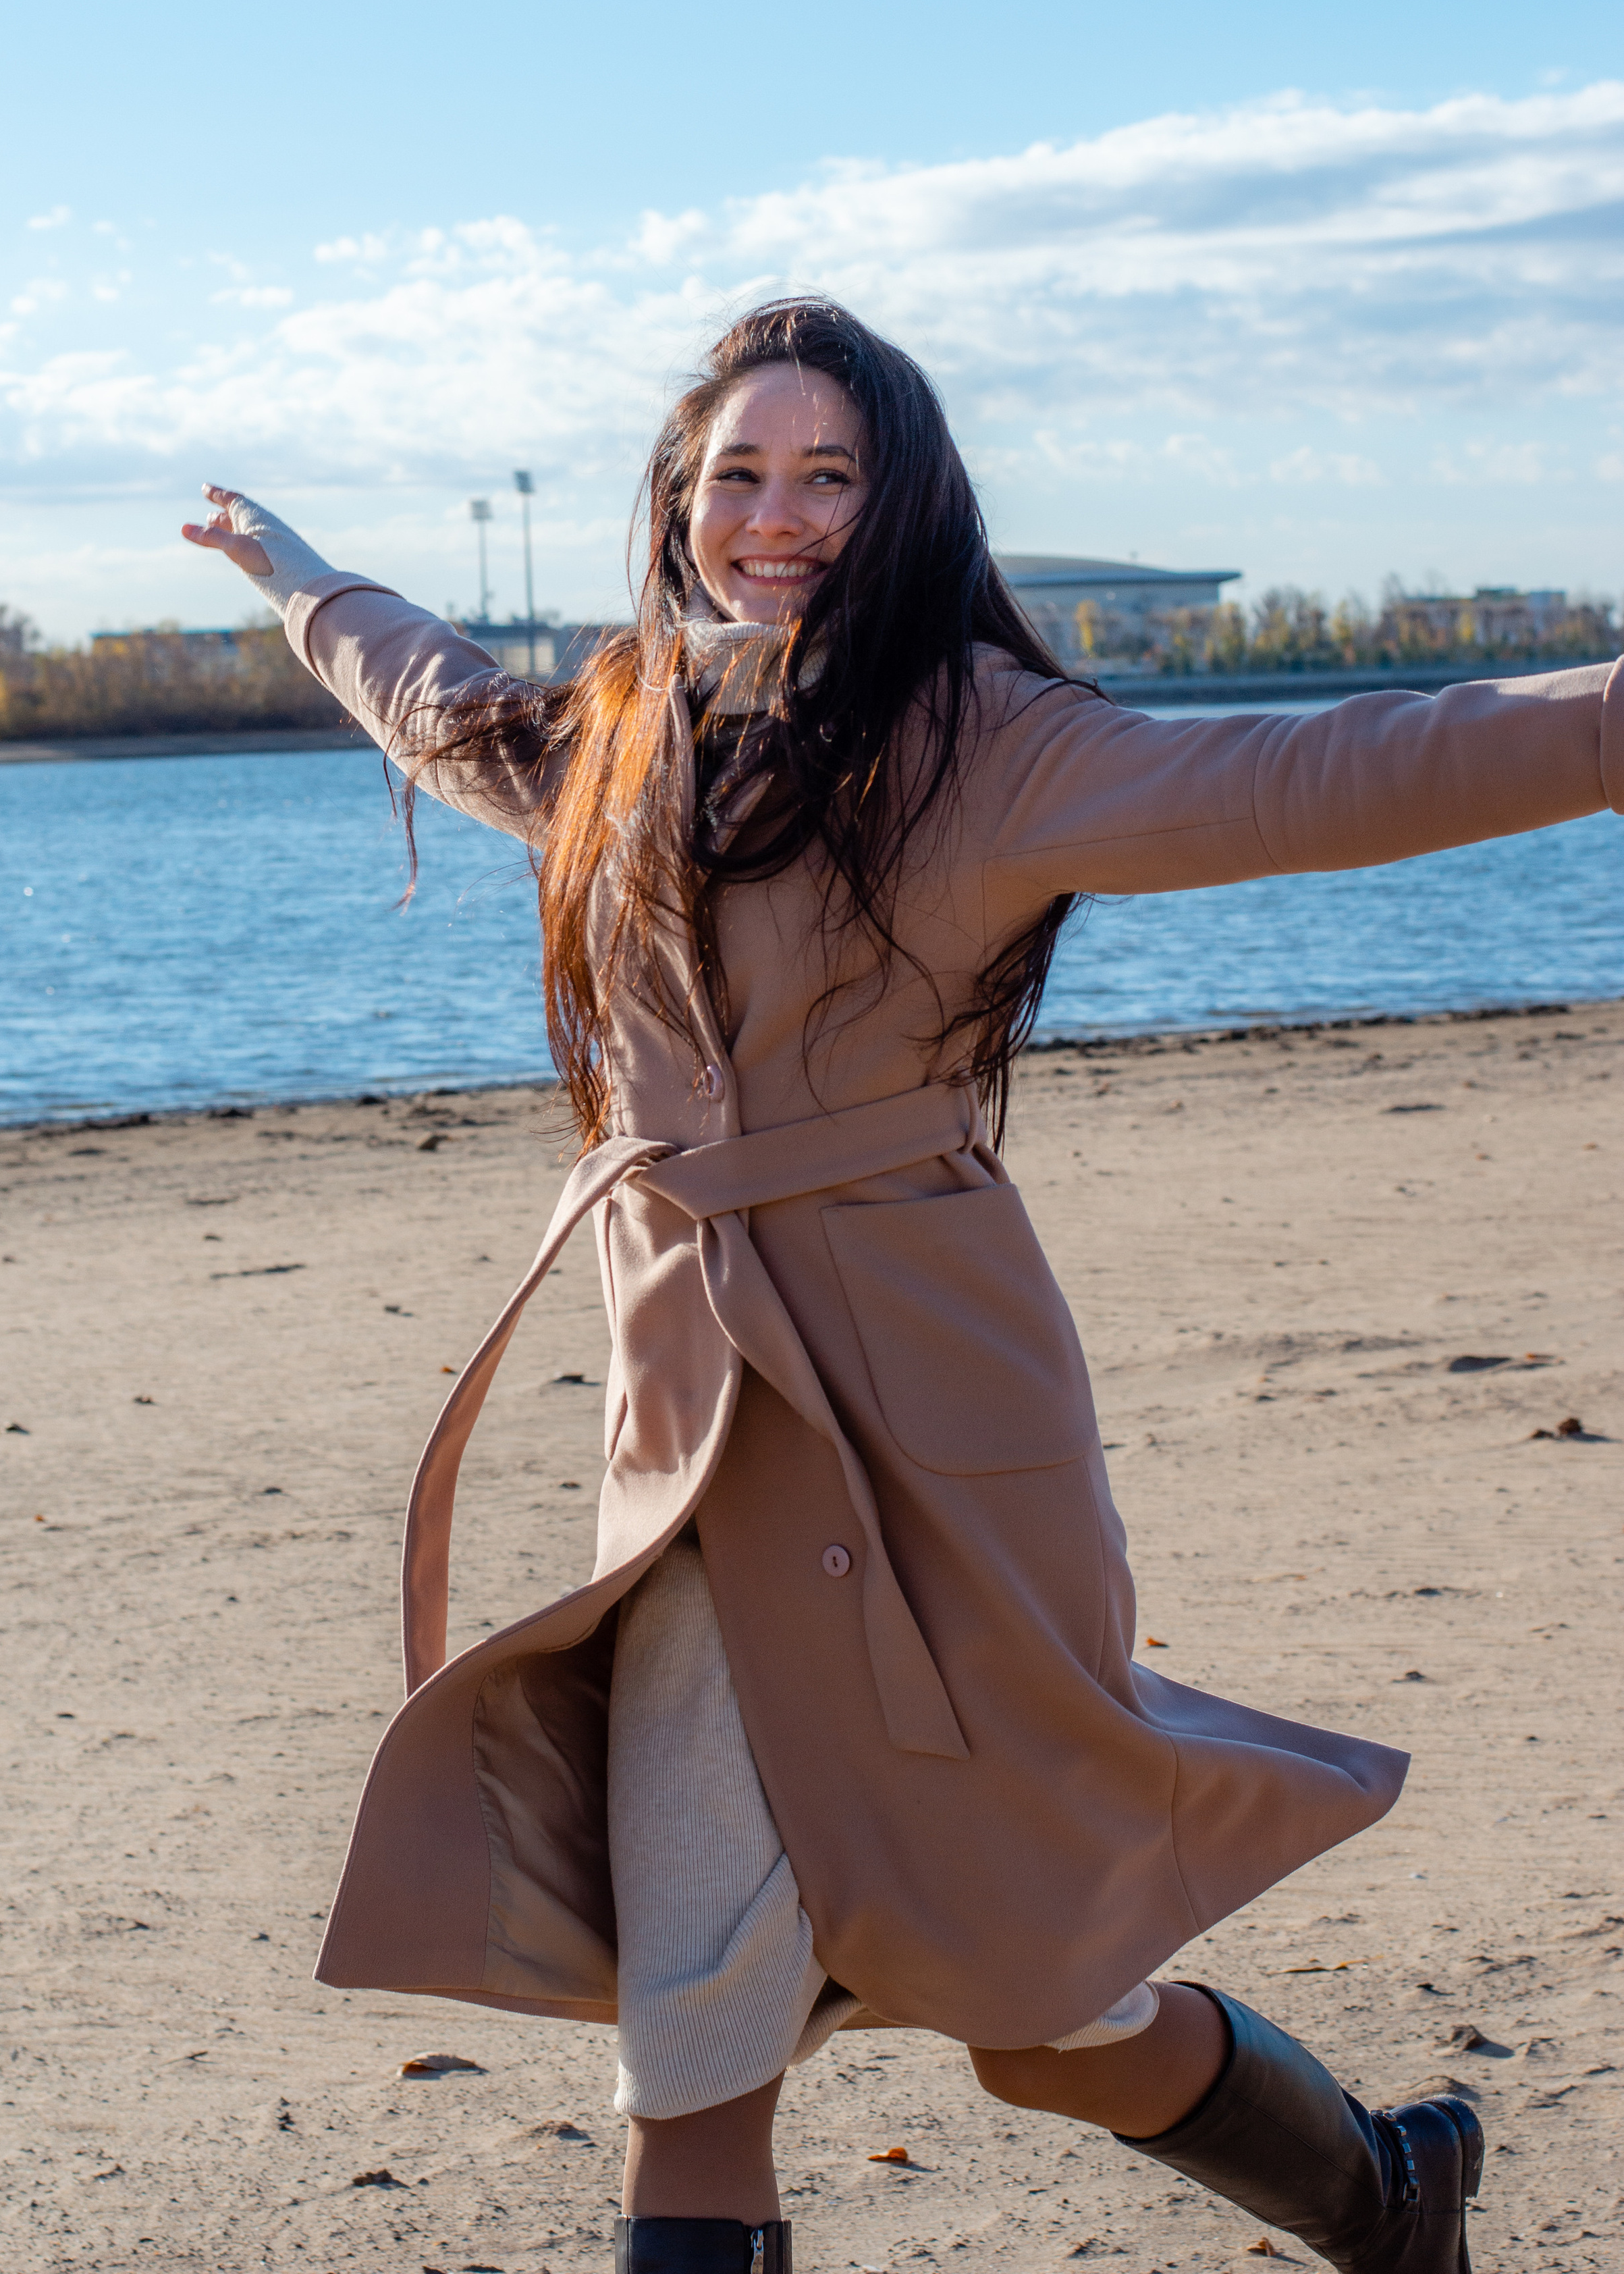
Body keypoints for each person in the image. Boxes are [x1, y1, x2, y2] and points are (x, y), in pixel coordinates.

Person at [184, 298, 1620, 2274]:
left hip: (942, 1456)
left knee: (1046, 2020)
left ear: (906, 496)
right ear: (678, 500)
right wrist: (298, 577)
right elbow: (430, 691)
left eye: (829, 474)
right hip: (698, 1458)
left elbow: (1315, 769)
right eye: (736, 474)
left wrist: (1609, 723)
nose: (775, 516)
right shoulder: (610, 732)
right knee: (695, 2040)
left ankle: (1384, 2187)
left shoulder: (989, 740)